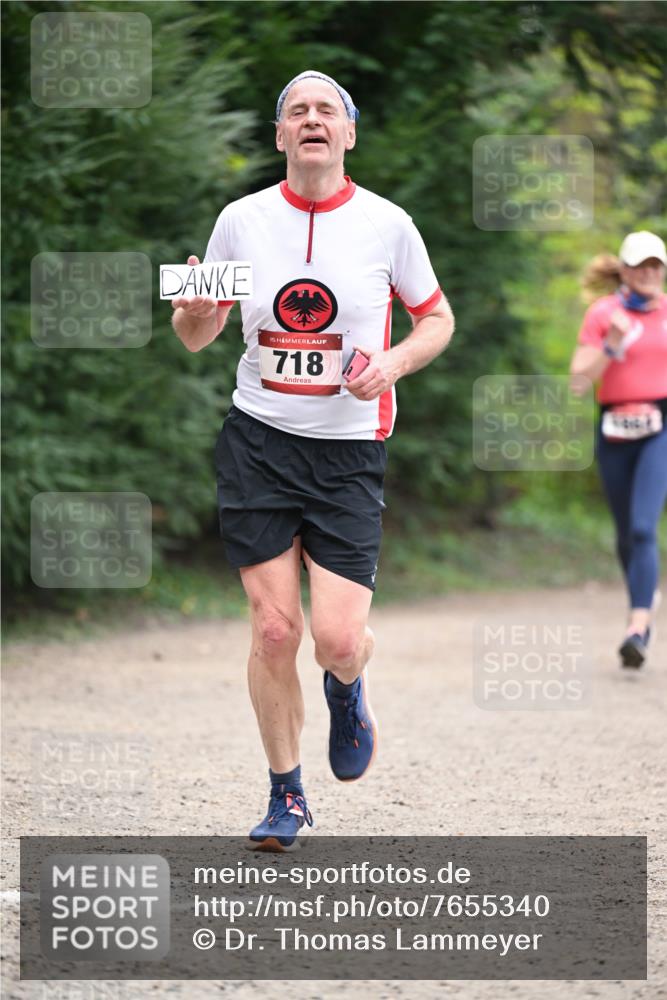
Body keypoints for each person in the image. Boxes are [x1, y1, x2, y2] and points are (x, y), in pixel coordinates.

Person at [171, 71, 454, 849]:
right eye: (295, 110)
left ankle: (348, 684)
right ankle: (285, 795)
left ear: (349, 133)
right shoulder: (241, 219)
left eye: (326, 110)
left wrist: (392, 363)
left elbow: (436, 320)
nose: (311, 119)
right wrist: (194, 313)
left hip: (347, 453)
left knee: (334, 640)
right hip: (258, 441)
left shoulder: (387, 224)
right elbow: (197, 335)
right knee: (271, 631)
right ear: (279, 136)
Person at [570, 231, 667, 668]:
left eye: (656, 266)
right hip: (613, 429)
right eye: (640, 266)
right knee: (627, 532)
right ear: (625, 271)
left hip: (660, 426)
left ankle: (637, 626)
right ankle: (644, 600)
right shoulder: (603, 313)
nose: (648, 273)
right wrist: (610, 343)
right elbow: (578, 381)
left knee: (646, 528)